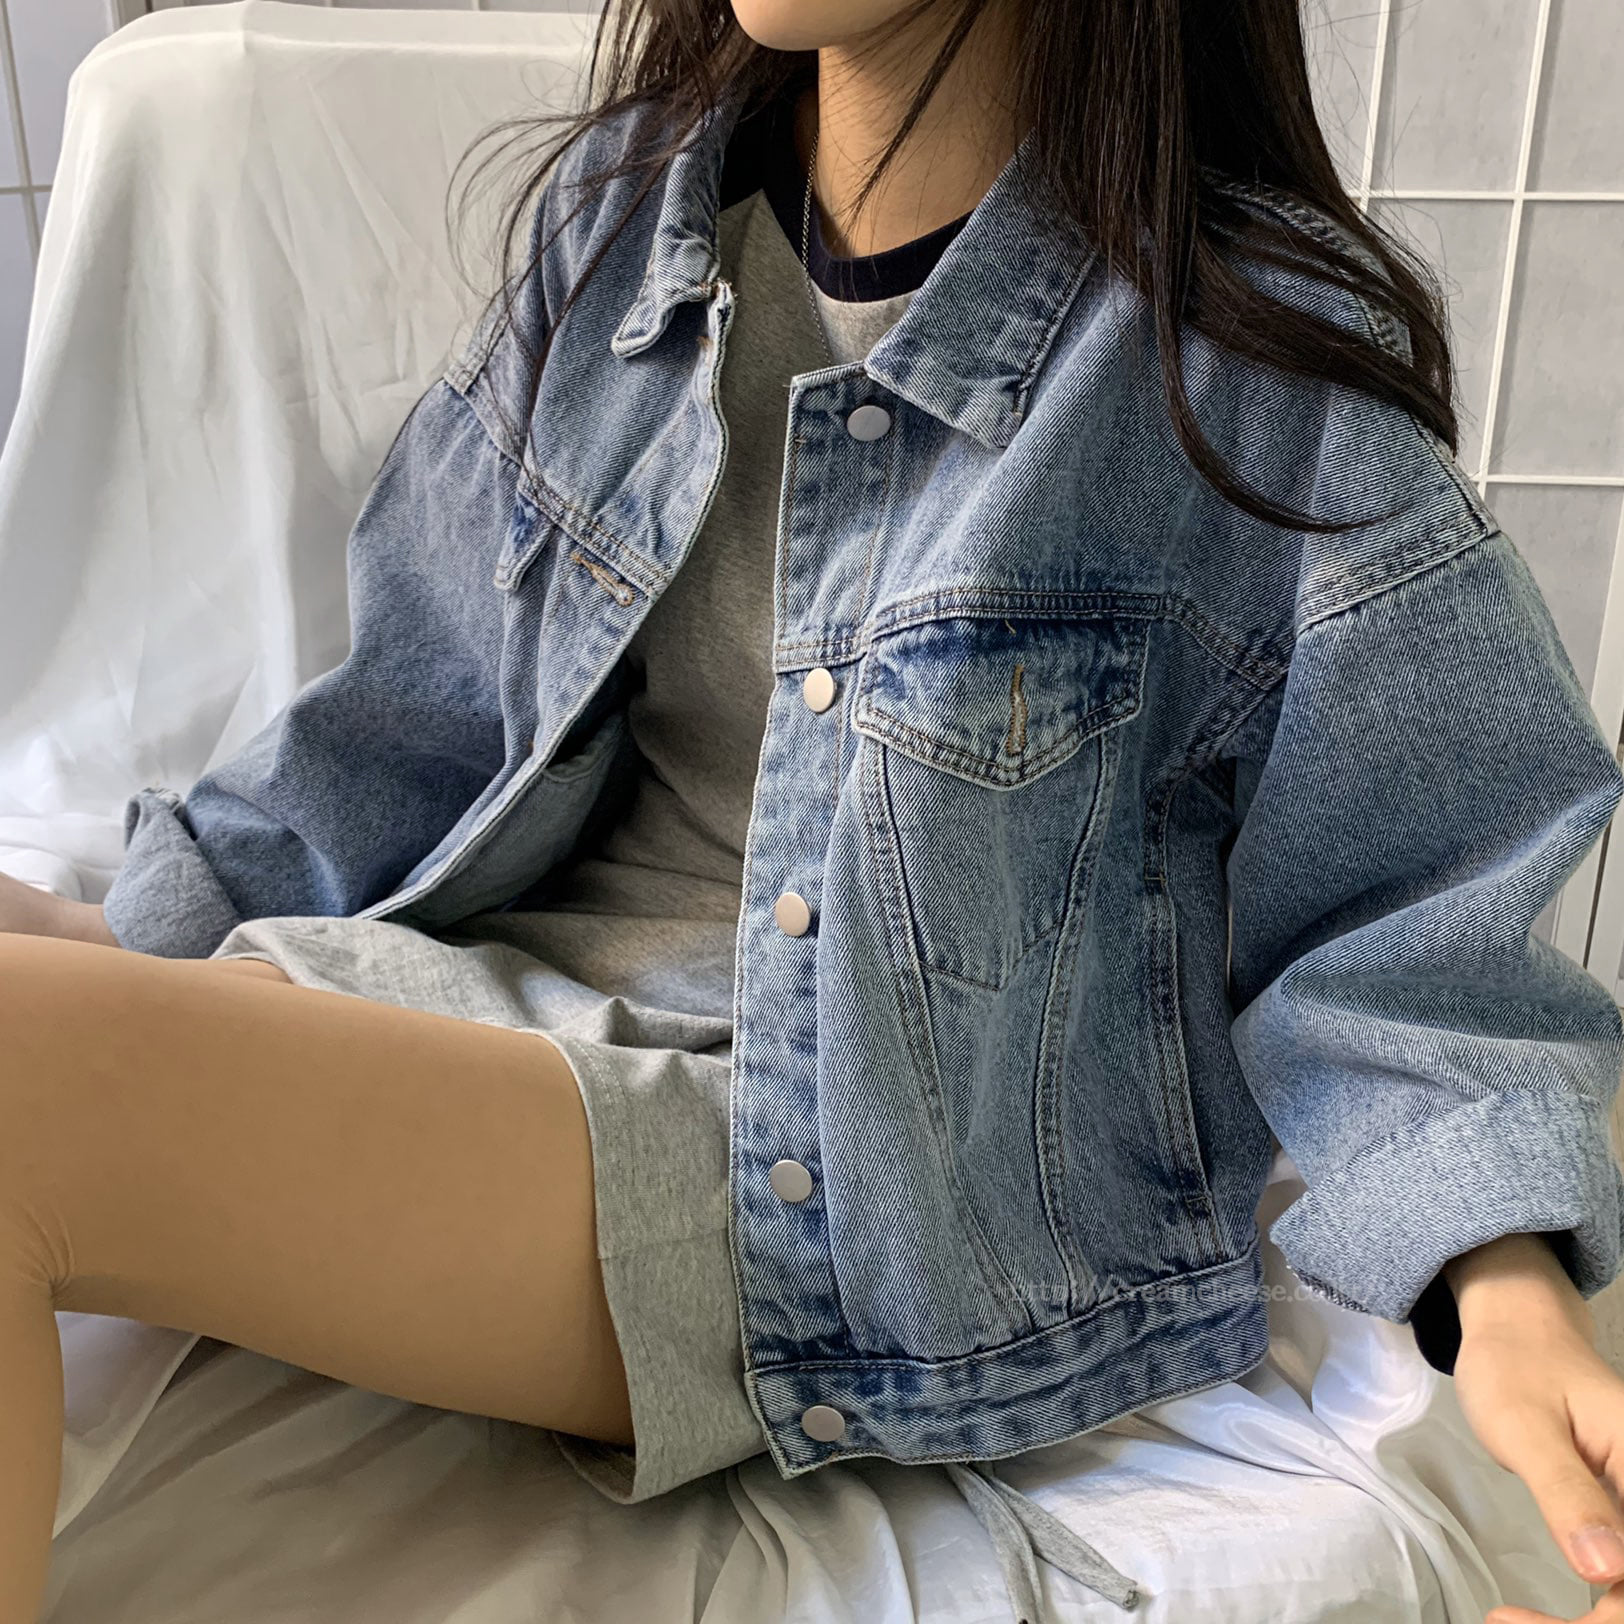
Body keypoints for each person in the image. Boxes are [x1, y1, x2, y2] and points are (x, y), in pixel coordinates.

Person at [3, 0, 1623, 1619]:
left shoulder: (1242, 362)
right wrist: (149, 930)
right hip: (481, 1004)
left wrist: (1503, 1286)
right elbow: (418, 716)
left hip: (816, 1178)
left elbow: (1408, 904)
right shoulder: (633, 232)